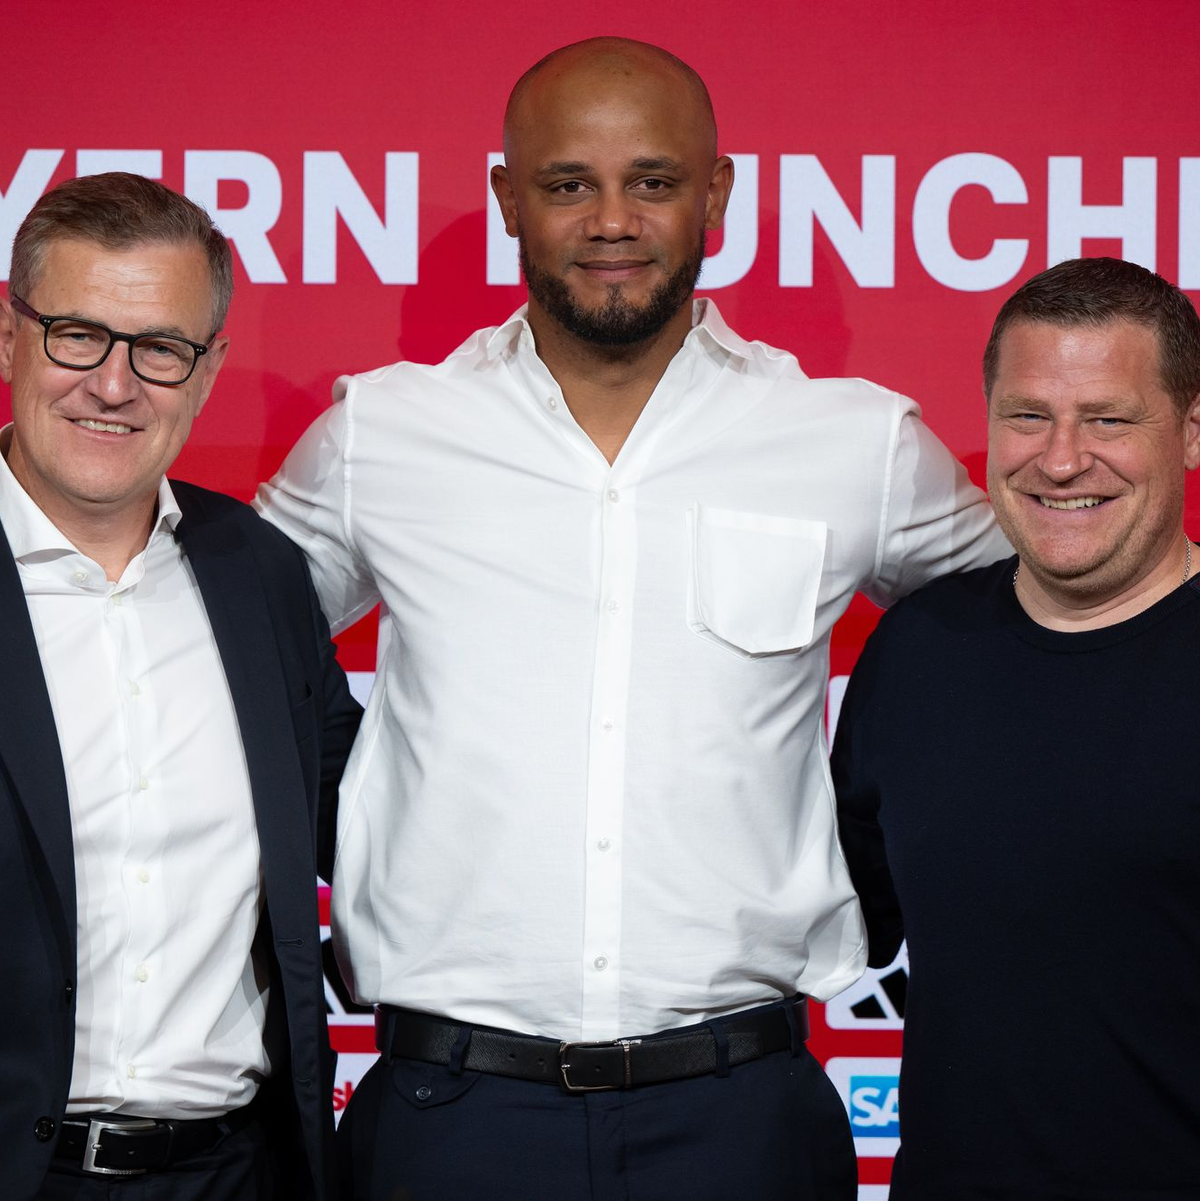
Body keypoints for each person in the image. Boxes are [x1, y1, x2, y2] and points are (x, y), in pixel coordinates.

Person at [257, 37, 1007, 1201]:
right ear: (511, 198)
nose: (613, 219)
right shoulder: (381, 434)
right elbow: (216, 634)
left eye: (653, 181)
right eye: (569, 184)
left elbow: (1049, 622)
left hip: (744, 1118)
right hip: (449, 1115)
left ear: (716, 192)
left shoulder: (853, 440)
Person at [0, 172, 361, 1201]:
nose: (114, 385)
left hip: (236, 1175)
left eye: (159, 349)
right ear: (9, 336)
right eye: (77, 333)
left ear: (206, 373)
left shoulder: (259, 573)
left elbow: (362, 811)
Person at [832, 256, 1200, 1200]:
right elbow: (836, 922)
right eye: (1028, 415)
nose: (1063, 456)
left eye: (1110, 419)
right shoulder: (919, 648)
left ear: (1191, 431)